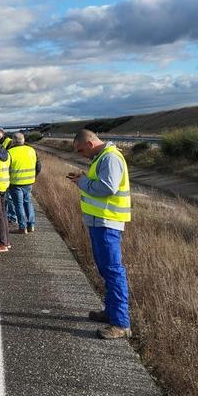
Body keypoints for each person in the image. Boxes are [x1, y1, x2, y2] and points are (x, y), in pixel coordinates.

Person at [68, 129, 132, 340]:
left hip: (107, 222)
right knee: (106, 270)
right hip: (99, 221)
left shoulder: (110, 158)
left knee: (113, 271)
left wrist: (81, 182)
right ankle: (111, 312)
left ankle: (121, 323)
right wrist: (85, 178)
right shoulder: (102, 157)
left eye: (80, 150)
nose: (81, 155)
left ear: (89, 143)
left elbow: (107, 188)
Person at [8, 132, 41, 234]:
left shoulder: (10, 152)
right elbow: (38, 166)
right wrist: (34, 176)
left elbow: (6, 168)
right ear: (23, 140)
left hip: (15, 182)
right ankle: (31, 225)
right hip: (29, 181)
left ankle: (22, 227)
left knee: (18, 205)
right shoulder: (31, 150)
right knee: (28, 202)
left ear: (13, 140)